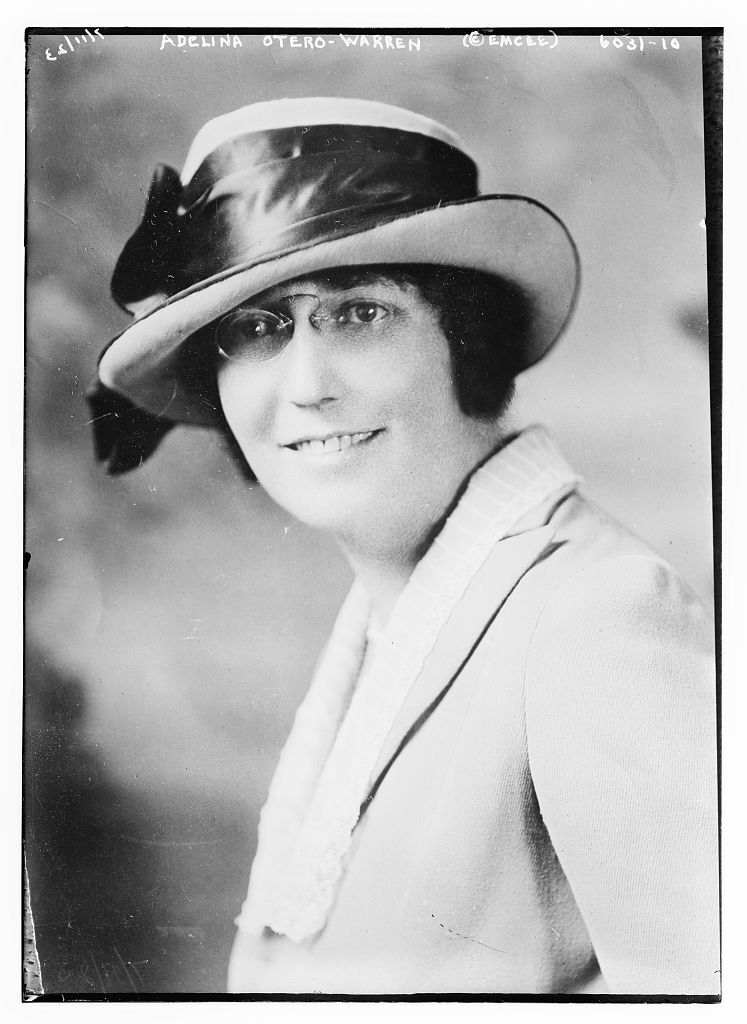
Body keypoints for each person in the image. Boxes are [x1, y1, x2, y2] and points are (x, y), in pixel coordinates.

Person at [88, 97, 719, 996]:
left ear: (467, 337)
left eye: (358, 315)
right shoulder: (393, 616)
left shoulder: (594, 615)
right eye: (259, 330)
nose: (306, 386)